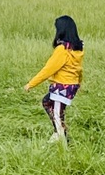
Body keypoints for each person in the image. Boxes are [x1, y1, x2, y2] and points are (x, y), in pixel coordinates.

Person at [25, 15, 84, 144]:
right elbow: (79, 69)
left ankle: (63, 141)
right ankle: (59, 132)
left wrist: (31, 84)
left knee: (57, 114)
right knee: (47, 102)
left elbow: (48, 70)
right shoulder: (76, 48)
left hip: (62, 87)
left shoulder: (62, 50)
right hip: (71, 86)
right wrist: (79, 82)